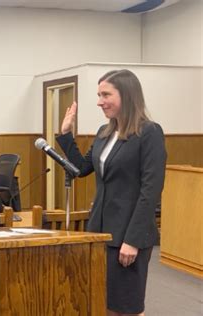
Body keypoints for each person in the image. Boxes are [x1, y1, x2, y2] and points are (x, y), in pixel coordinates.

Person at [56, 69, 166, 316]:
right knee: (102, 303)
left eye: (106, 94)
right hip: (100, 232)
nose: (99, 101)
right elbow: (81, 169)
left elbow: (151, 190)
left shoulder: (149, 133)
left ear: (126, 95)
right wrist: (65, 134)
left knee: (126, 308)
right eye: (98, 95)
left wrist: (133, 240)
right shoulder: (104, 133)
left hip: (129, 236)